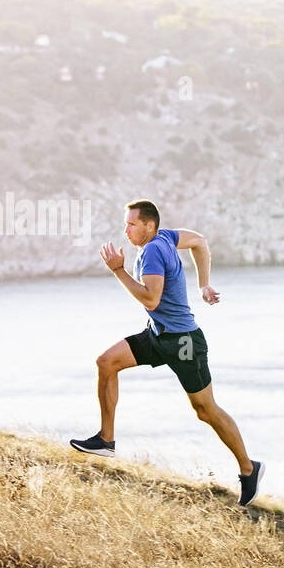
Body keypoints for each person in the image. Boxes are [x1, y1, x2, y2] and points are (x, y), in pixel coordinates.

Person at [69, 199, 265, 505]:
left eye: (132, 224)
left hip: (184, 342)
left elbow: (151, 300)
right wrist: (204, 285)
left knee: (205, 410)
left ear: (149, 225)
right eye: (127, 223)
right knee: (106, 362)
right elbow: (199, 242)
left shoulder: (152, 252)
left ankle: (249, 468)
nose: (127, 230)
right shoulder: (167, 237)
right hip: (159, 336)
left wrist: (118, 270)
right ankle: (106, 440)